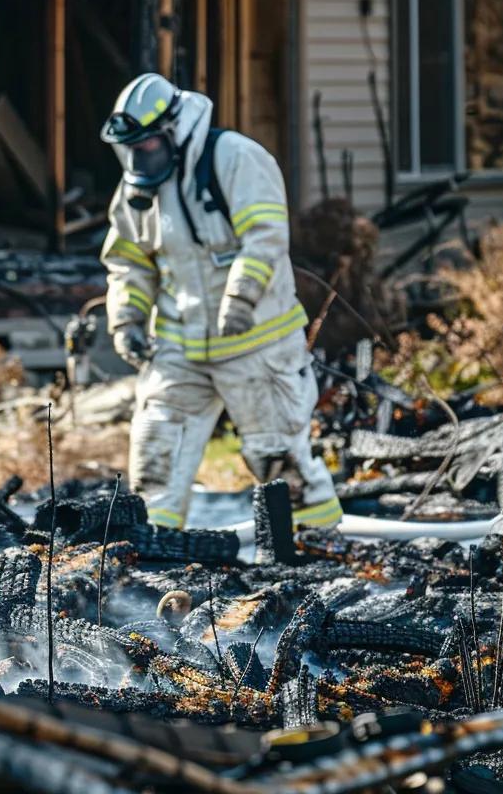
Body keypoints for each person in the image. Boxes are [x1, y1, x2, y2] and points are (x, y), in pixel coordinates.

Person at [99, 72, 340, 531]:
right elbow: (128, 260)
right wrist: (126, 320)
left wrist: (240, 300)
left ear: (172, 130)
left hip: (256, 343)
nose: (137, 157)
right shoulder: (140, 187)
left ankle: (316, 551)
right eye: (130, 148)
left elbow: (265, 237)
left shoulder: (235, 159)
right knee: (156, 456)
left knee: (279, 461)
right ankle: (154, 557)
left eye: (146, 145)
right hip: (179, 346)